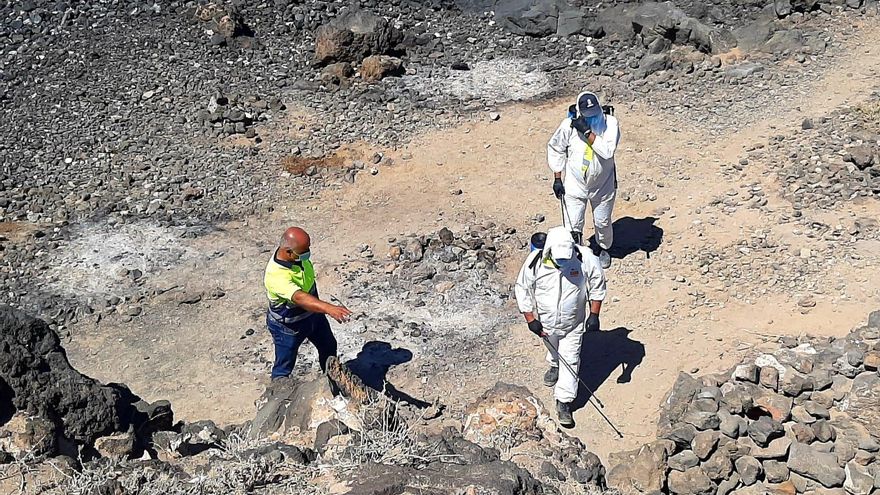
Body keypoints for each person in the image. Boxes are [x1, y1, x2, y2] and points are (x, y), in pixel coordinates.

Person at [514, 226, 607, 427]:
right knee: (554, 349)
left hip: (573, 323)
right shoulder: (535, 263)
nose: (563, 262)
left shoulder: (586, 259)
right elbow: (522, 289)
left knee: (571, 359)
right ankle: (555, 363)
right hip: (545, 323)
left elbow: (597, 286)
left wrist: (594, 315)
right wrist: (531, 319)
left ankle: (564, 400)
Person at [264, 227, 352, 380]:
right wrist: (328, 308)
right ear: (288, 252)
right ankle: (277, 398)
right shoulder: (276, 275)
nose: (308, 253)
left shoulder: (297, 258)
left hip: (313, 317)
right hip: (288, 328)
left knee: (329, 346)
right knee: (284, 368)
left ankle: (331, 381)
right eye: (304, 251)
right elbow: (299, 298)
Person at [548, 91, 620, 269]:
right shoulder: (568, 126)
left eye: (595, 114)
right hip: (575, 184)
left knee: (602, 222)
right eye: (588, 116)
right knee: (573, 222)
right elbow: (556, 148)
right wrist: (557, 177)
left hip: (603, 185)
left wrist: (587, 132)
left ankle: (604, 249)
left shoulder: (610, 124)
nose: (592, 117)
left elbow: (607, 151)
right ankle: (576, 252)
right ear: (580, 113)